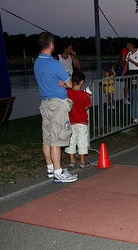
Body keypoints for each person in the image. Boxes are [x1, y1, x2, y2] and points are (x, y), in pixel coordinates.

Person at [33, 31, 78, 183]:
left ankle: (50, 169)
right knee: (57, 140)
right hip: (57, 104)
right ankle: (59, 172)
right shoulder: (54, 64)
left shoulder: (37, 62)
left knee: (47, 138)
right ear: (51, 44)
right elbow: (70, 84)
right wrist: (63, 81)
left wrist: (59, 81)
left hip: (45, 103)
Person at [64, 70, 92, 169]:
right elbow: (86, 107)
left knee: (71, 140)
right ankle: (82, 161)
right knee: (82, 140)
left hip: (71, 120)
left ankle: (72, 160)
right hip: (82, 121)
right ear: (82, 82)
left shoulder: (67, 93)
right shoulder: (84, 95)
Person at [121, 38, 138, 123]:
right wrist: (122, 75)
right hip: (130, 75)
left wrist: (133, 61)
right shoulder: (128, 54)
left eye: (128, 45)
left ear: (132, 45)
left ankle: (137, 116)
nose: (127, 46)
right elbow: (126, 66)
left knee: (137, 97)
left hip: (137, 75)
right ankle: (132, 116)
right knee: (131, 96)